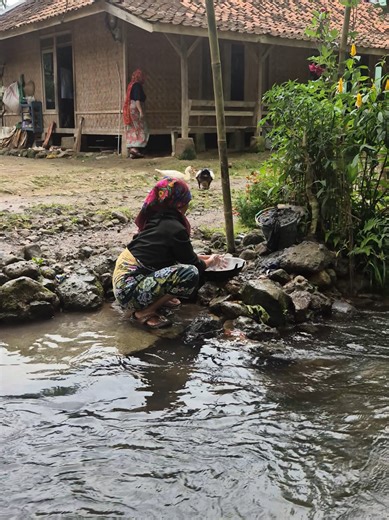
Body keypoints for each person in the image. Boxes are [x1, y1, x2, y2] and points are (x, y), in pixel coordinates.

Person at [113, 177, 225, 329]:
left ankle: (159, 298)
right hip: (128, 293)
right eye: (187, 202)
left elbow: (182, 255)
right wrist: (211, 261)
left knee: (177, 265)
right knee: (190, 273)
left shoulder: (158, 218)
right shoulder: (175, 228)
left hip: (123, 284)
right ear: (179, 203)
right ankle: (145, 312)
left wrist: (207, 257)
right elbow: (194, 265)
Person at [123, 69, 149, 159]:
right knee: (140, 128)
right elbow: (137, 100)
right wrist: (141, 111)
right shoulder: (137, 86)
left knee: (132, 128)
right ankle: (135, 148)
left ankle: (132, 150)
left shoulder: (131, 85)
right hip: (135, 109)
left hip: (130, 109)